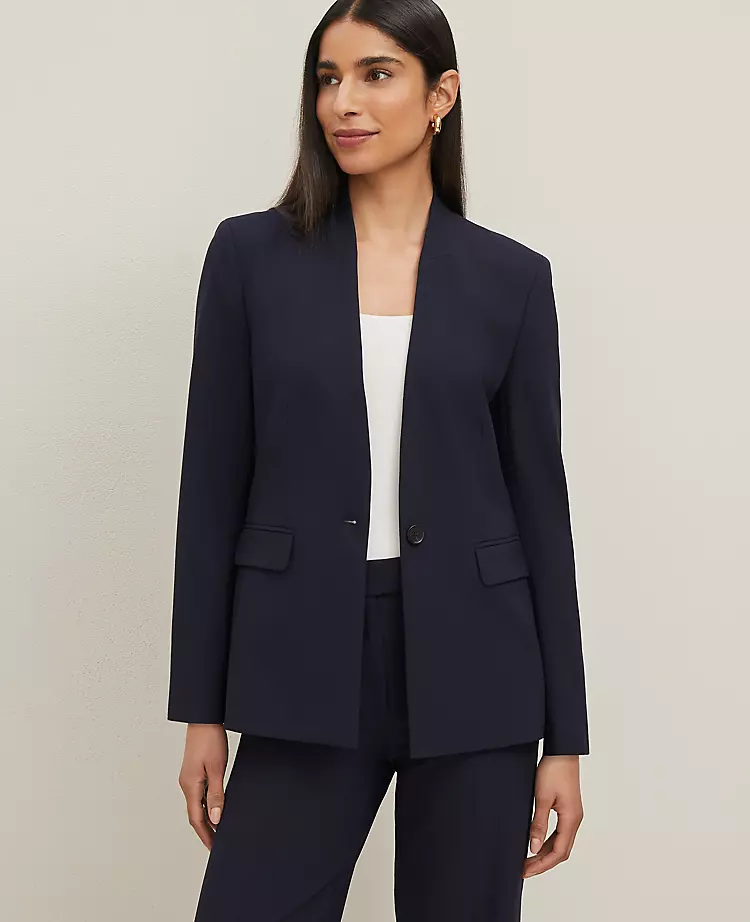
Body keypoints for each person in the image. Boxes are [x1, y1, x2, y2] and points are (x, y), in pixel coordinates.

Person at [167, 1, 589, 919]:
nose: (343, 103)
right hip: (301, 654)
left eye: (376, 74)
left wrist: (565, 737)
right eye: (328, 79)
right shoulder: (249, 258)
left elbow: (539, 509)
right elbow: (210, 491)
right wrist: (202, 710)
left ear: (442, 95)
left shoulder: (512, 279)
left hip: (479, 666)